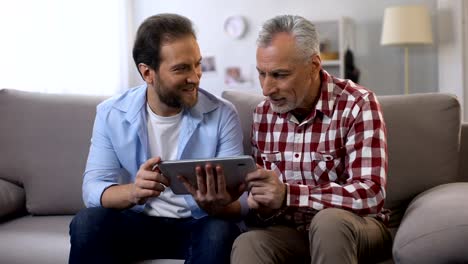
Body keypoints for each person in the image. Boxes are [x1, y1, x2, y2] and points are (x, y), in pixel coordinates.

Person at [69, 13, 247, 264]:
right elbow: (93, 187)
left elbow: (241, 199)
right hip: (138, 223)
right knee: (87, 222)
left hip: (199, 223)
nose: (195, 76)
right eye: (181, 68)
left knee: (220, 231)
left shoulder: (222, 113)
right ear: (147, 73)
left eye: (197, 64)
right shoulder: (111, 114)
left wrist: (217, 204)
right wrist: (134, 192)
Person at [231, 15, 392, 264]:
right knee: (248, 242)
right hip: (291, 233)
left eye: (279, 75)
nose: (266, 89)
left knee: (328, 222)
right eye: (261, 74)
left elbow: (370, 194)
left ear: (315, 65)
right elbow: (265, 210)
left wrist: (288, 195)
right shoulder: (263, 114)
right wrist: (261, 204)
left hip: (356, 229)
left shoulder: (358, 104)